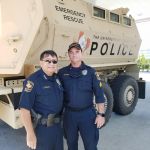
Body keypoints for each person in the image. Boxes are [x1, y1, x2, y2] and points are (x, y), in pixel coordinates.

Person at [58, 42, 105, 150]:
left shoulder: (91, 72)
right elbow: (57, 93)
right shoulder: (62, 73)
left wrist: (101, 114)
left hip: (87, 114)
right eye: (71, 52)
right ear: (68, 55)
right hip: (69, 115)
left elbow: (99, 94)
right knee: (71, 145)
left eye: (77, 52)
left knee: (91, 146)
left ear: (82, 54)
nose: (74, 54)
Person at [19, 50, 64, 150]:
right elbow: (24, 109)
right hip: (42, 129)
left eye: (54, 61)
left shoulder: (57, 79)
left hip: (57, 128)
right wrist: (30, 133)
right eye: (48, 60)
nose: (51, 63)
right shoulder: (33, 81)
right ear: (41, 62)